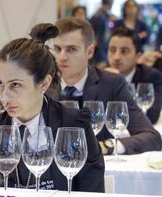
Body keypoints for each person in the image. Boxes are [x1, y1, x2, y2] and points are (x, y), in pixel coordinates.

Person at [0, 23, 105, 192]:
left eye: (15, 84)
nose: (5, 96)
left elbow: (93, 194)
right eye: (0, 84)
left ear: (44, 83)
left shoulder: (73, 124)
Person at [48, 17, 161, 155]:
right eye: (58, 49)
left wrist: (106, 146)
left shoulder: (111, 84)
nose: (61, 57)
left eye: (71, 49)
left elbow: (152, 137)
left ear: (90, 52)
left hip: (98, 171)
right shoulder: (42, 84)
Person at [107, 26, 162, 124]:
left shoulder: (151, 76)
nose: (116, 57)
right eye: (112, 50)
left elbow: (151, 116)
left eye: (124, 51)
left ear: (138, 56)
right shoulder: (99, 75)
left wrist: (117, 81)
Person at [90, 0, 114, 66]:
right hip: (99, 45)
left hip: (106, 44)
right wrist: (94, 40)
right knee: (100, 64)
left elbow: (110, 28)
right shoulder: (97, 15)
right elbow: (91, 28)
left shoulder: (108, 15)